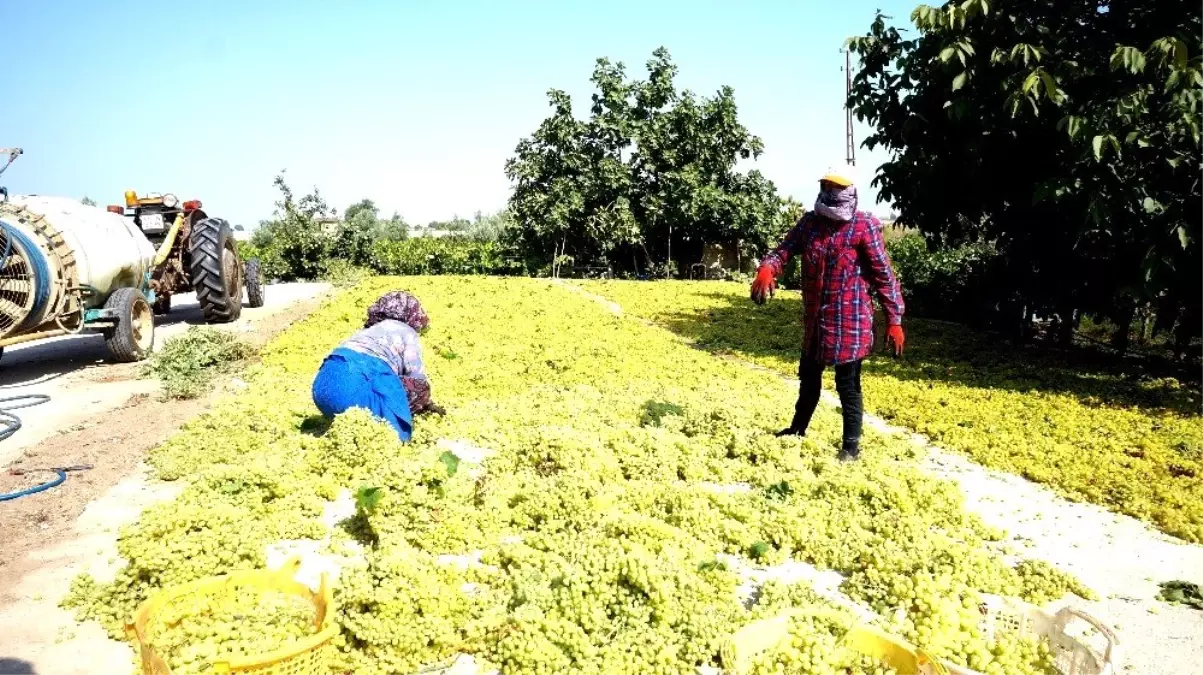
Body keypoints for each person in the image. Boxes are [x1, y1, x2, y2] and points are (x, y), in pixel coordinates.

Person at [750, 164, 905, 462]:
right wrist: (768, 267)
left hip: (850, 321)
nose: (831, 194)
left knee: (848, 384)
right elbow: (784, 250)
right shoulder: (810, 224)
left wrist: (894, 319)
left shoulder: (863, 226)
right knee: (809, 377)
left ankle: (850, 446)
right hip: (816, 321)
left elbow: (884, 276)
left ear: (850, 191)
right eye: (826, 186)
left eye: (837, 188)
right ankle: (797, 429)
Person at [311, 290, 443, 441]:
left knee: (383, 377)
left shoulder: (366, 332)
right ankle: (393, 426)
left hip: (321, 392)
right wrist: (426, 404)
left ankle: (343, 416)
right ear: (411, 315)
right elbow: (416, 376)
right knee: (420, 388)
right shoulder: (407, 331)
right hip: (351, 394)